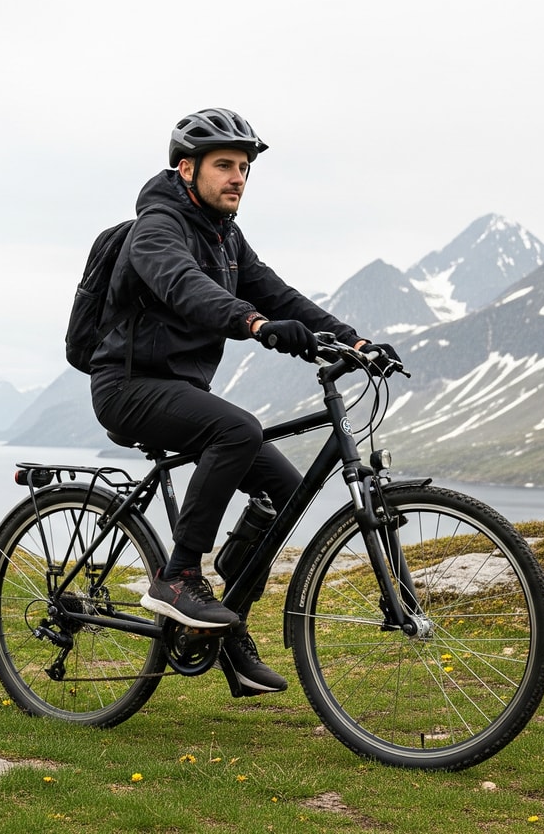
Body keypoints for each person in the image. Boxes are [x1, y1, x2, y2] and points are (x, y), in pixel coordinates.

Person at [88, 107, 398, 695]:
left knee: (285, 491)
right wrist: (253, 323)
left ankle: (225, 629)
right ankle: (178, 577)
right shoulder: (156, 229)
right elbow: (184, 284)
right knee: (238, 429)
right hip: (125, 388)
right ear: (187, 169)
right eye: (225, 165)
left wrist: (353, 339)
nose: (238, 178)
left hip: (179, 390)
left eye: (245, 169)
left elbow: (278, 292)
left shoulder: (226, 237)